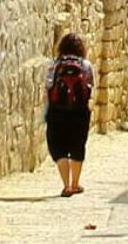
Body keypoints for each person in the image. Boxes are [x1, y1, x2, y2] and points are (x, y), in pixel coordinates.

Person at [44, 32, 96, 196]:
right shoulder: (86, 65)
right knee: (77, 145)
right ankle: (75, 183)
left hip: (57, 110)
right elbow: (90, 85)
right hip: (79, 111)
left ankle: (66, 185)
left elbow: (48, 85)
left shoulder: (55, 64)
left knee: (58, 147)